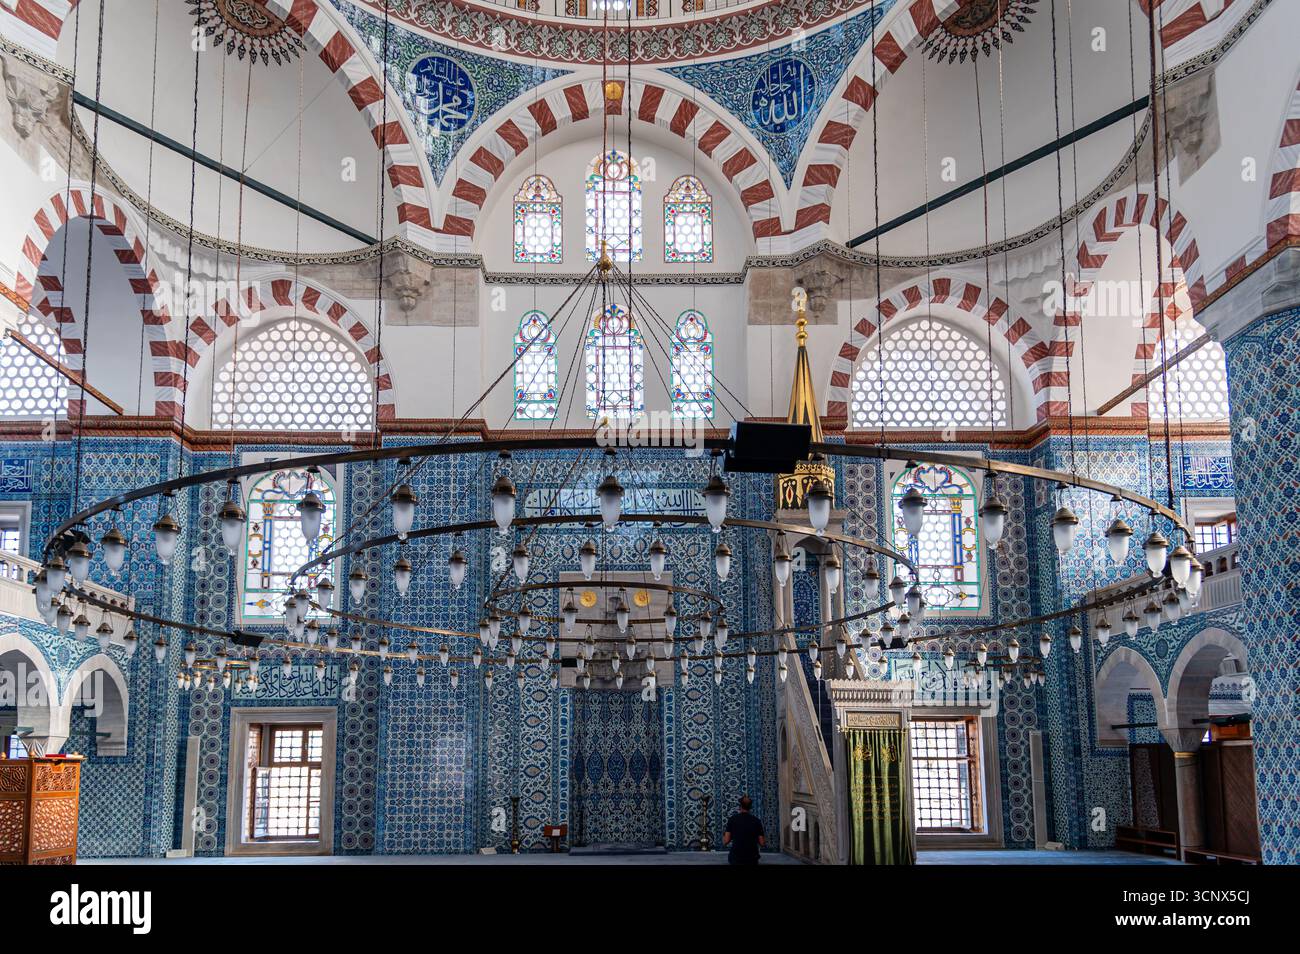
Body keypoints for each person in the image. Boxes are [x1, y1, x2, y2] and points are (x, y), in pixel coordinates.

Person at [722, 795, 765, 864]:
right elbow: (762, 843)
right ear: (751, 807)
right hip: (752, 857)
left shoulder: (732, 820)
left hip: (736, 857)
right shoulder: (757, 821)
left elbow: (726, 841)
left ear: (740, 806)